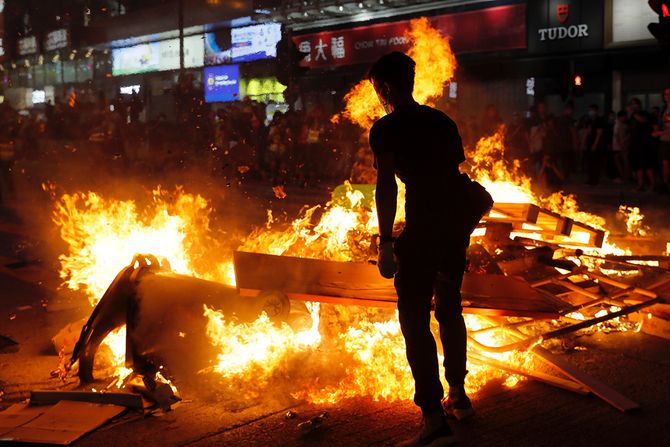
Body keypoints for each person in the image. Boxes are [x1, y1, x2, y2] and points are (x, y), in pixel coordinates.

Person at [368, 52, 473, 447]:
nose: (376, 93)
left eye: (377, 86)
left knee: (414, 317)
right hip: (455, 228)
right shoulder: (442, 122)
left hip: (425, 228)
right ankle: (459, 397)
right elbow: (451, 173)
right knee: (449, 309)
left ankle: (433, 417)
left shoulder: (387, 128)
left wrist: (387, 243)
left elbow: (387, 186)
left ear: (387, 86)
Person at [652, 86, 670, 188]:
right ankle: (665, 183)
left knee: (666, 162)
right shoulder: (664, 109)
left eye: (669, 94)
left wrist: (660, 133)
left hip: (667, 138)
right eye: (666, 94)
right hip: (664, 140)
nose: (667, 96)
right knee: (664, 162)